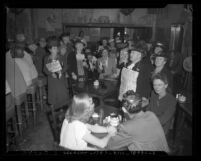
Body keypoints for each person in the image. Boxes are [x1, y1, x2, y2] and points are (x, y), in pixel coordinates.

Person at [43, 36, 69, 109]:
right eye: (54, 48)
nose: (56, 50)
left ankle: (63, 110)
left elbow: (66, 66)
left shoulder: (61, 57)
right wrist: (51, 73)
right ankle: (54, 112)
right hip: (52, 80)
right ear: (49, 49)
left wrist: (61, 71)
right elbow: (44, 69)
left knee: (62, 96)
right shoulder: (46, 58)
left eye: (57, 48)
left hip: (60, 80)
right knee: (53, 97)